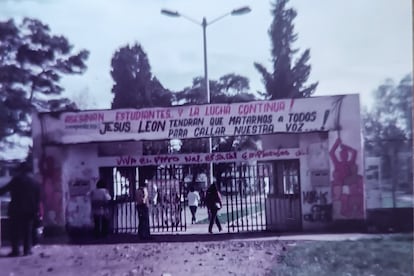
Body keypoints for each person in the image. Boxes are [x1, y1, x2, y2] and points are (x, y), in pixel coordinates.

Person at [0, 162, 40, 257]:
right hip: (30, 210)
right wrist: (36, 211)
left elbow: (4, 190)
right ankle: (27, 250)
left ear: (21, 170)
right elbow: (38, 198)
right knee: (28, 231)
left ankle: (16, 251)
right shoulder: (35, 182)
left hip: (16, 209)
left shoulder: (16, 180)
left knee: (14, 231)